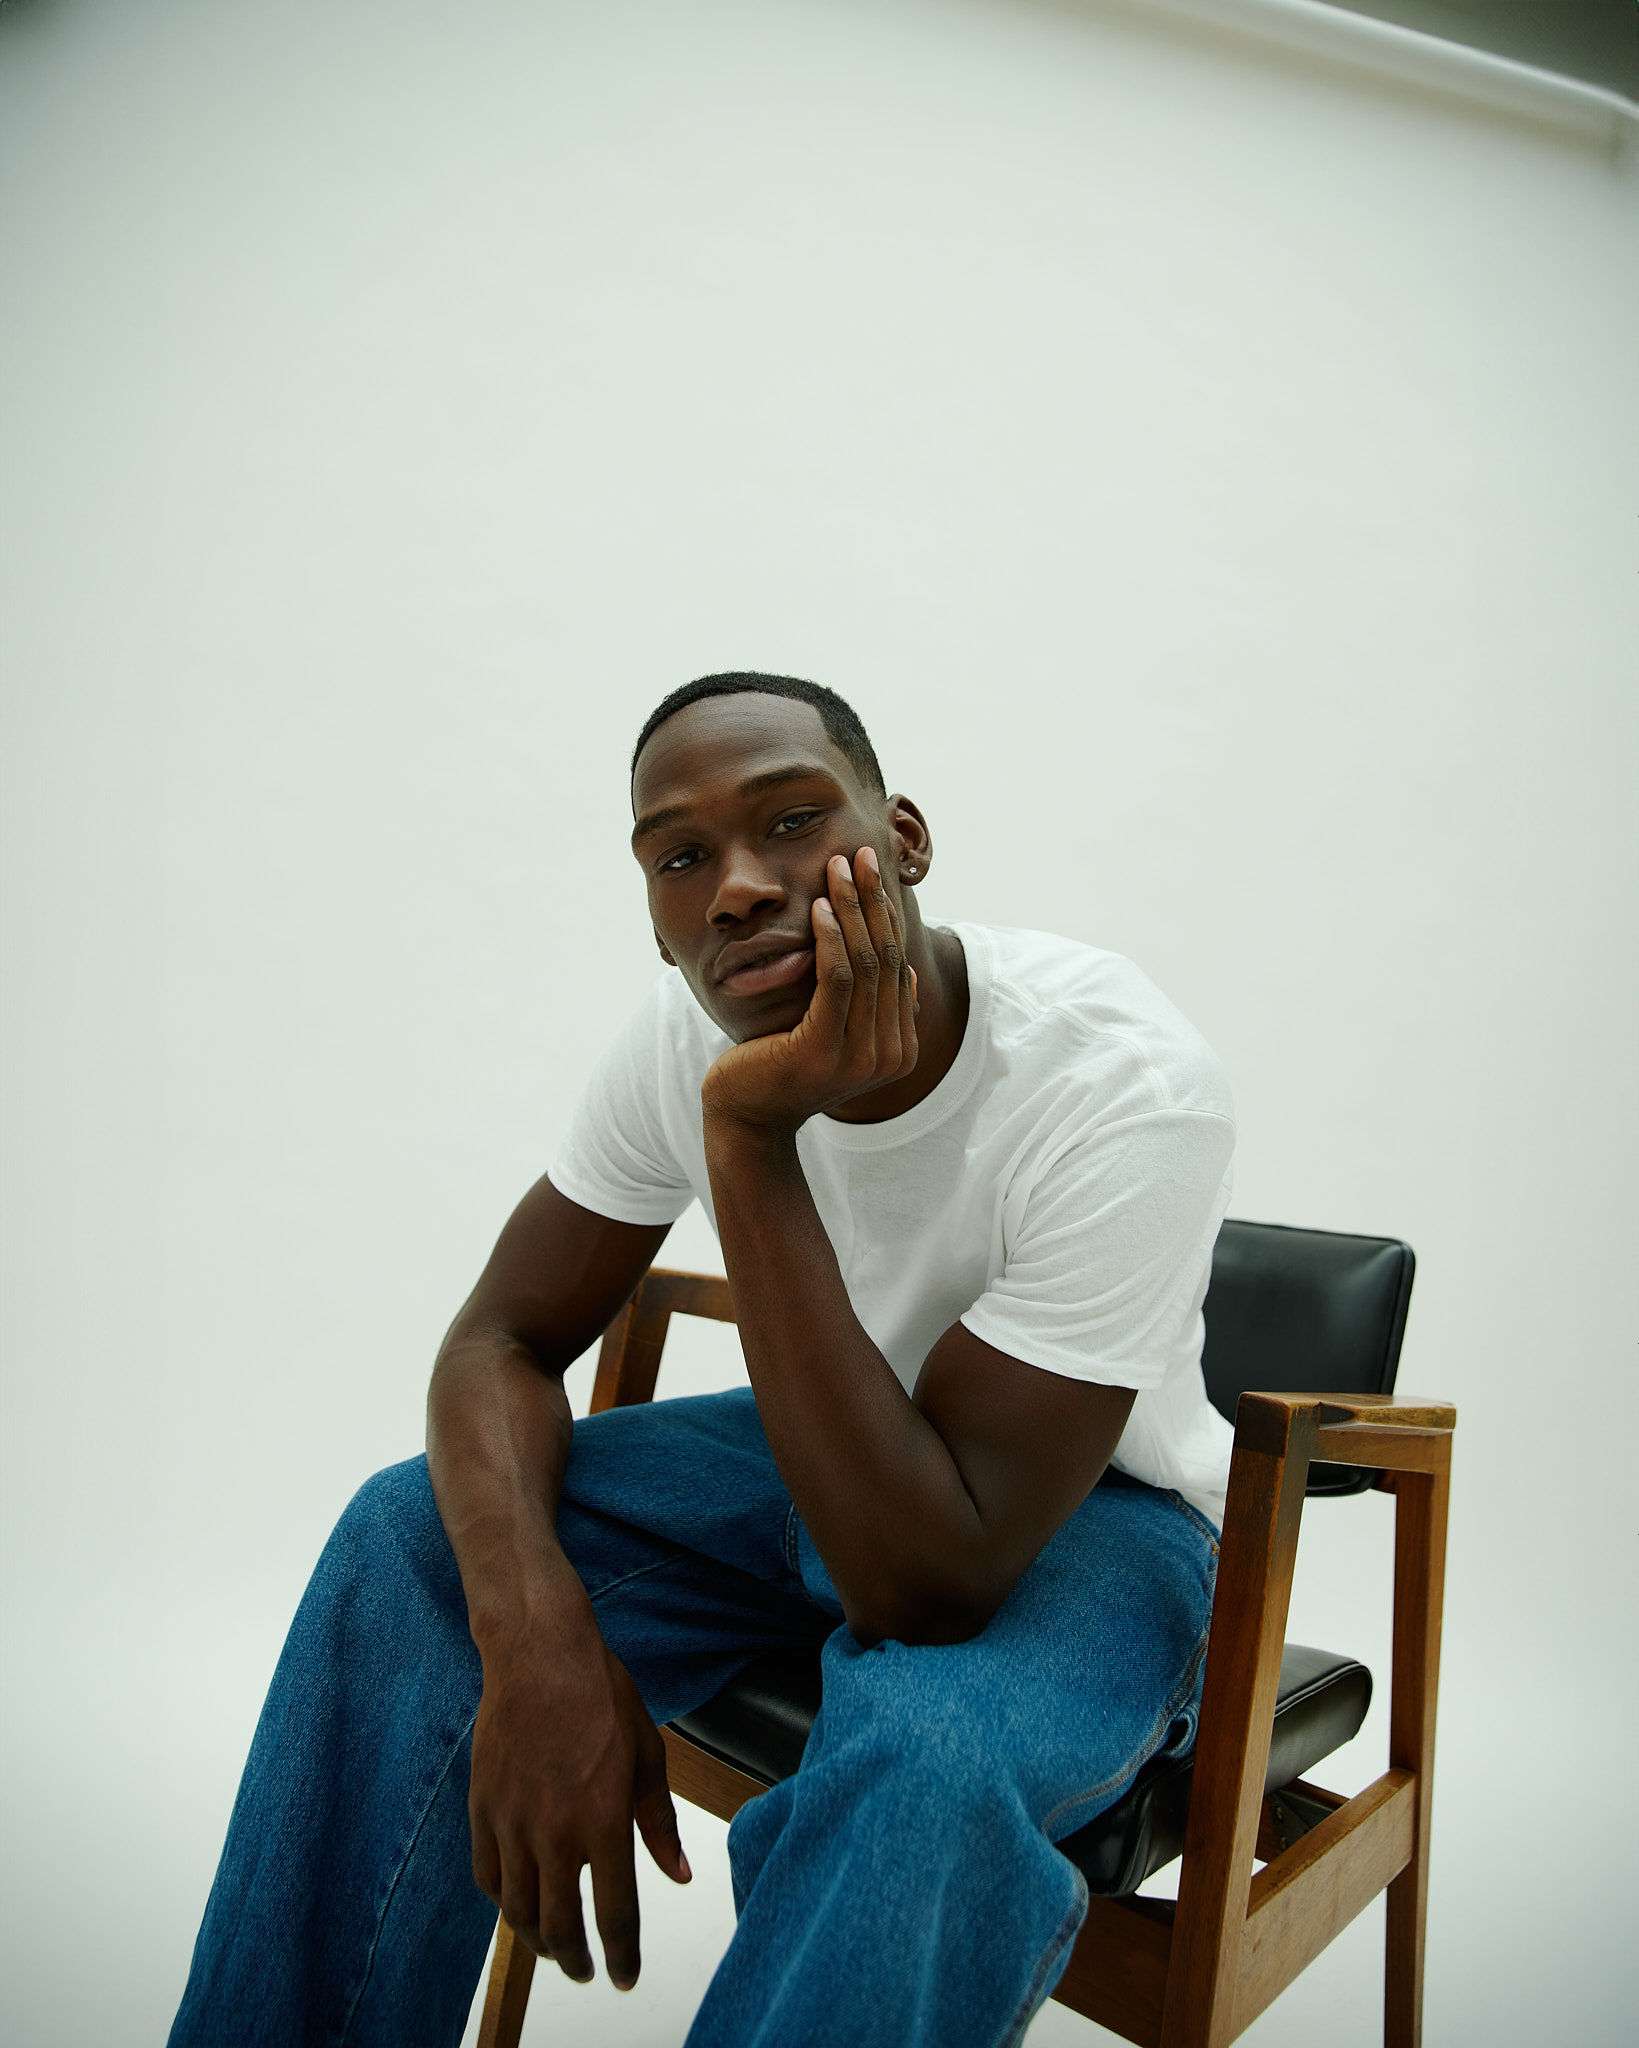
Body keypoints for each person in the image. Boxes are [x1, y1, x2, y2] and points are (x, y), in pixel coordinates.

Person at [169, 672, 1237, 2048]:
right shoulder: (680, 1035)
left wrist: (748, 1138)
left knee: (930, 1759)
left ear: (906, 839)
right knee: (410, 1535)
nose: (735, 889)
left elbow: (927, 1583)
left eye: (792, 820)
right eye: (679, 857)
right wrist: (535, 1641)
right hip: (812, 1464)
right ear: (657, 916)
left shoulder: (1120, 1081)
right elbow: (499, 1340)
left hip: (1079, 1520)